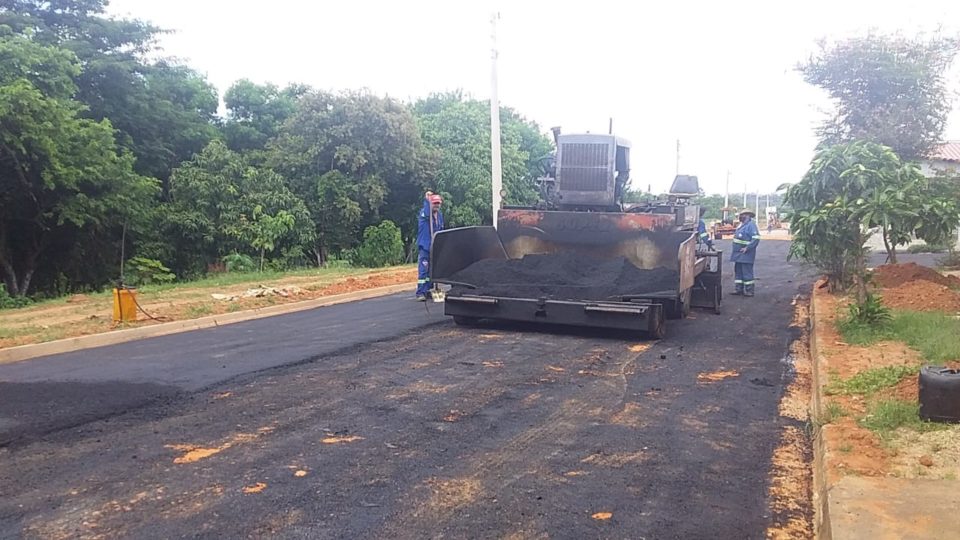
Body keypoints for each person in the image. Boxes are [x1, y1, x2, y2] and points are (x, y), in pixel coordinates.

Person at [415, 192, 444, 301]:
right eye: (434, 203)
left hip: (435, 247)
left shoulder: (439, 216)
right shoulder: (425, 214)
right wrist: (427, 200)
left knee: (432, 271)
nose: (436, 205)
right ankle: (420, 293)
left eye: (438, 203)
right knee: (424, 270)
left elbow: (441, 230)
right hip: (425, 247)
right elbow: (427, 212)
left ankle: (428, 290)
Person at [730, 209, 760, 296]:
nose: (741, 217)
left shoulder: (751, 225)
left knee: (747, 272)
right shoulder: (741, 225)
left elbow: (756, 238)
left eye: (743, 215)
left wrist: (747, 248)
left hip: (746, 254)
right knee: (738, 271)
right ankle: (738, 289)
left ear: (748, 216)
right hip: (738, 254)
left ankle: (749, 290)